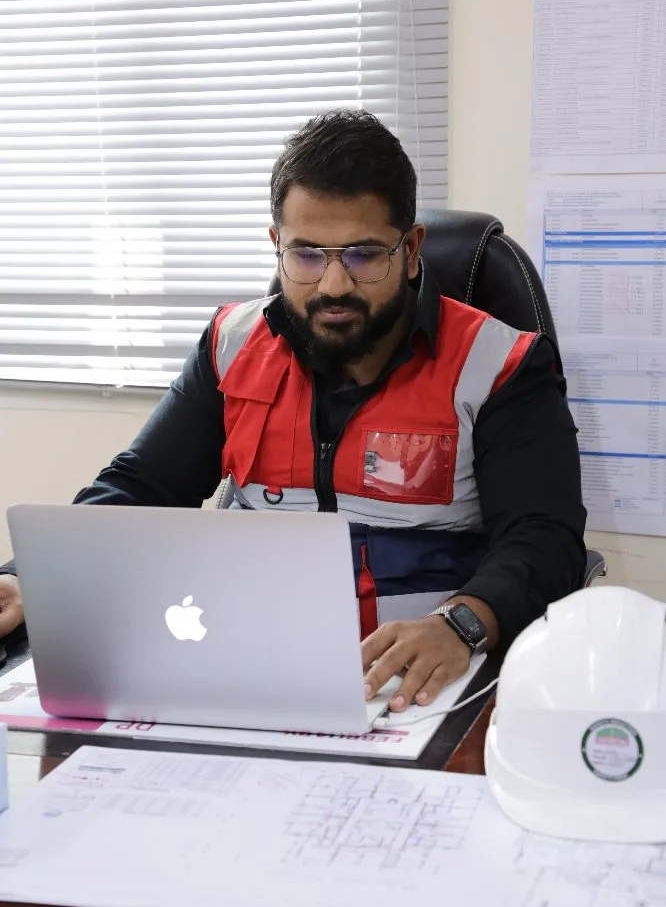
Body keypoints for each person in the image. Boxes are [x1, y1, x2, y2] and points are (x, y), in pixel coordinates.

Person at [0, 111, 587, 713]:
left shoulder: (500, 364)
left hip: (419, 687)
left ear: (410, 250)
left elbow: (544, 539)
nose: (333, 284)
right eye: (307, 255)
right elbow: (143, 484)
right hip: (251, 668)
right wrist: (30, 578)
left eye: (363, 255)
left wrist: (459, 624)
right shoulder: (232, 343)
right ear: (277, 244)